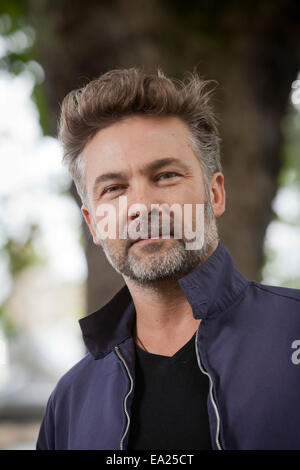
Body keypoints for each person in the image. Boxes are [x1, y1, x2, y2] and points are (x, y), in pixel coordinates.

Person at [36, 68, 300, 450]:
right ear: (94, 225)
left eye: (165, 176)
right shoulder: (70, 401)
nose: (141, 206)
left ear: (216, 194)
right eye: (114, 188)